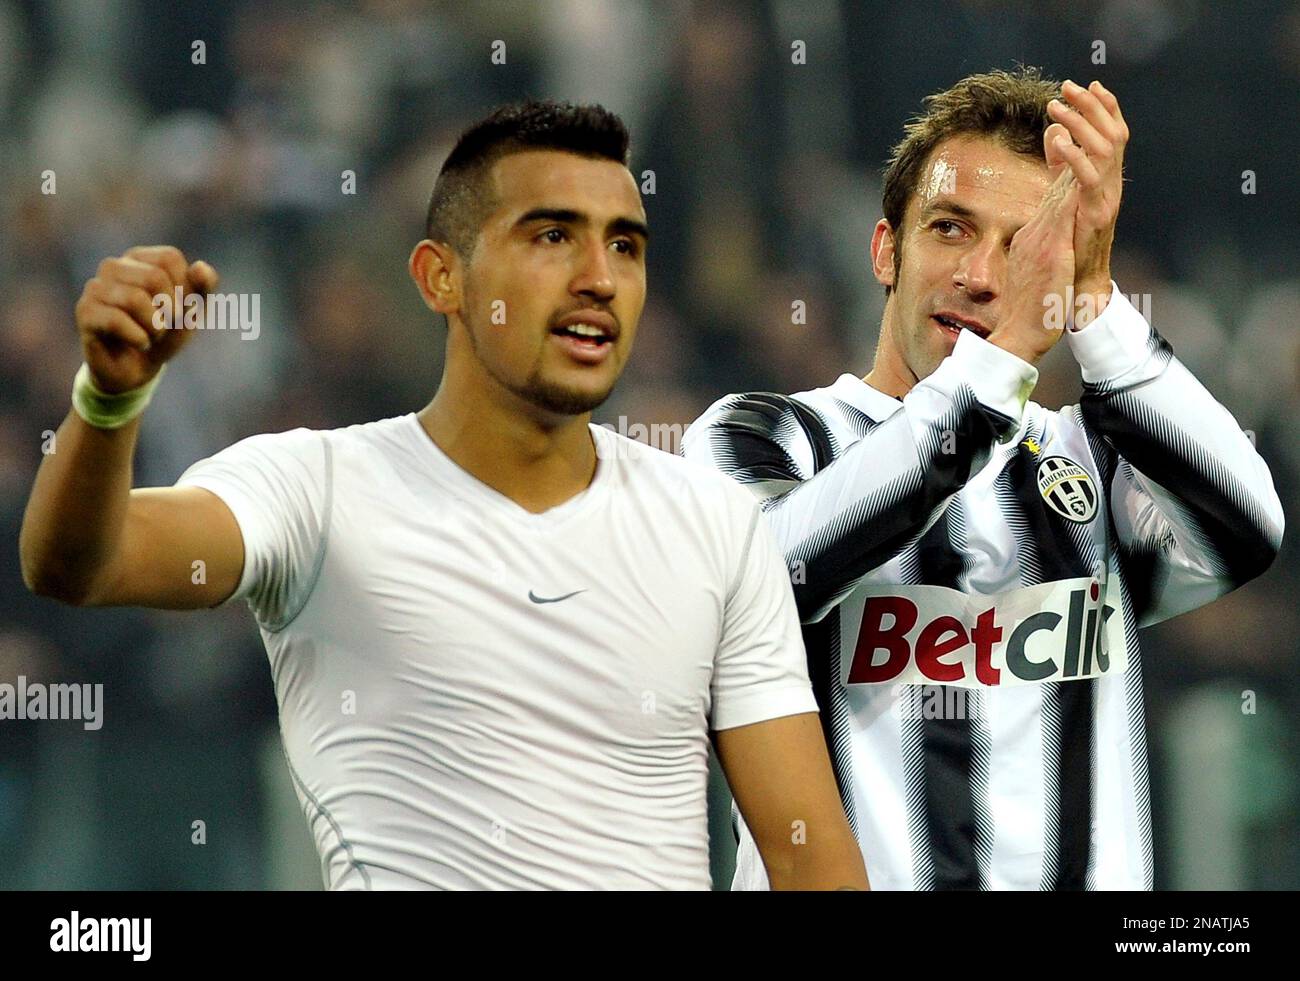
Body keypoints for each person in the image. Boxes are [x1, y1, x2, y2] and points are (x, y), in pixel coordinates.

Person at [19, 101, 867, 891]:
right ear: (441, 279)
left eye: (625, 245)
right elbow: (77, 564)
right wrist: (108, 401)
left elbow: (812, 867)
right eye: (551, 237)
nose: (599, 278)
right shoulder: (317, 490)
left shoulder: (714, 523)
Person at [683, 69, 1284, 890]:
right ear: (886, 249)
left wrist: (1097, 303)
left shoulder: (1089, 466)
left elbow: (1247, 528)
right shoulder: (762, 435)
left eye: (1023, 247)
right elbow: (768, 580)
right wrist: (1000, 366)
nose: (981, 276)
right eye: (951, 228)